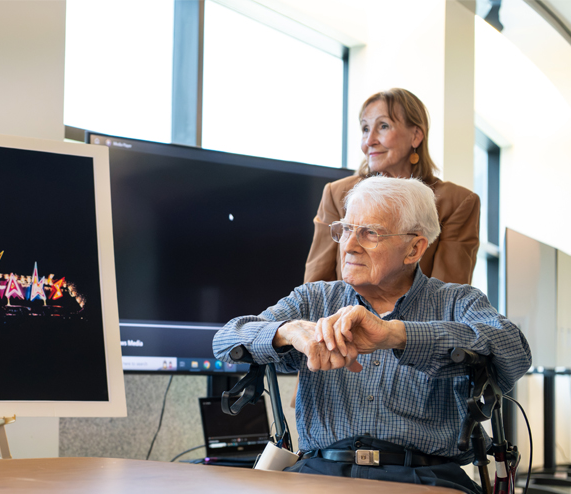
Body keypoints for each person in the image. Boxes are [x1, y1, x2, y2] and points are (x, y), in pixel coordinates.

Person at [213, 177, 530, 494]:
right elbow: (225, 340)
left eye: (370, 233)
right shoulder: (314, 300)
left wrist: (397, 334)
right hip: (318, 474)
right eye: (346, 229)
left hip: (425, 478)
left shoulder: (457, 302)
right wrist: (289, 331)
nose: (349, 245)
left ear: (414, 248)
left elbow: (514, 350)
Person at [305, 88, 480, 285]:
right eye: (365, 129)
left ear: (415, 136)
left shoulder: (457, 203)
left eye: (383, 126)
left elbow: (448, 300)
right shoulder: (336, 194)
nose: (369, 141)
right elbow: (315, 288)